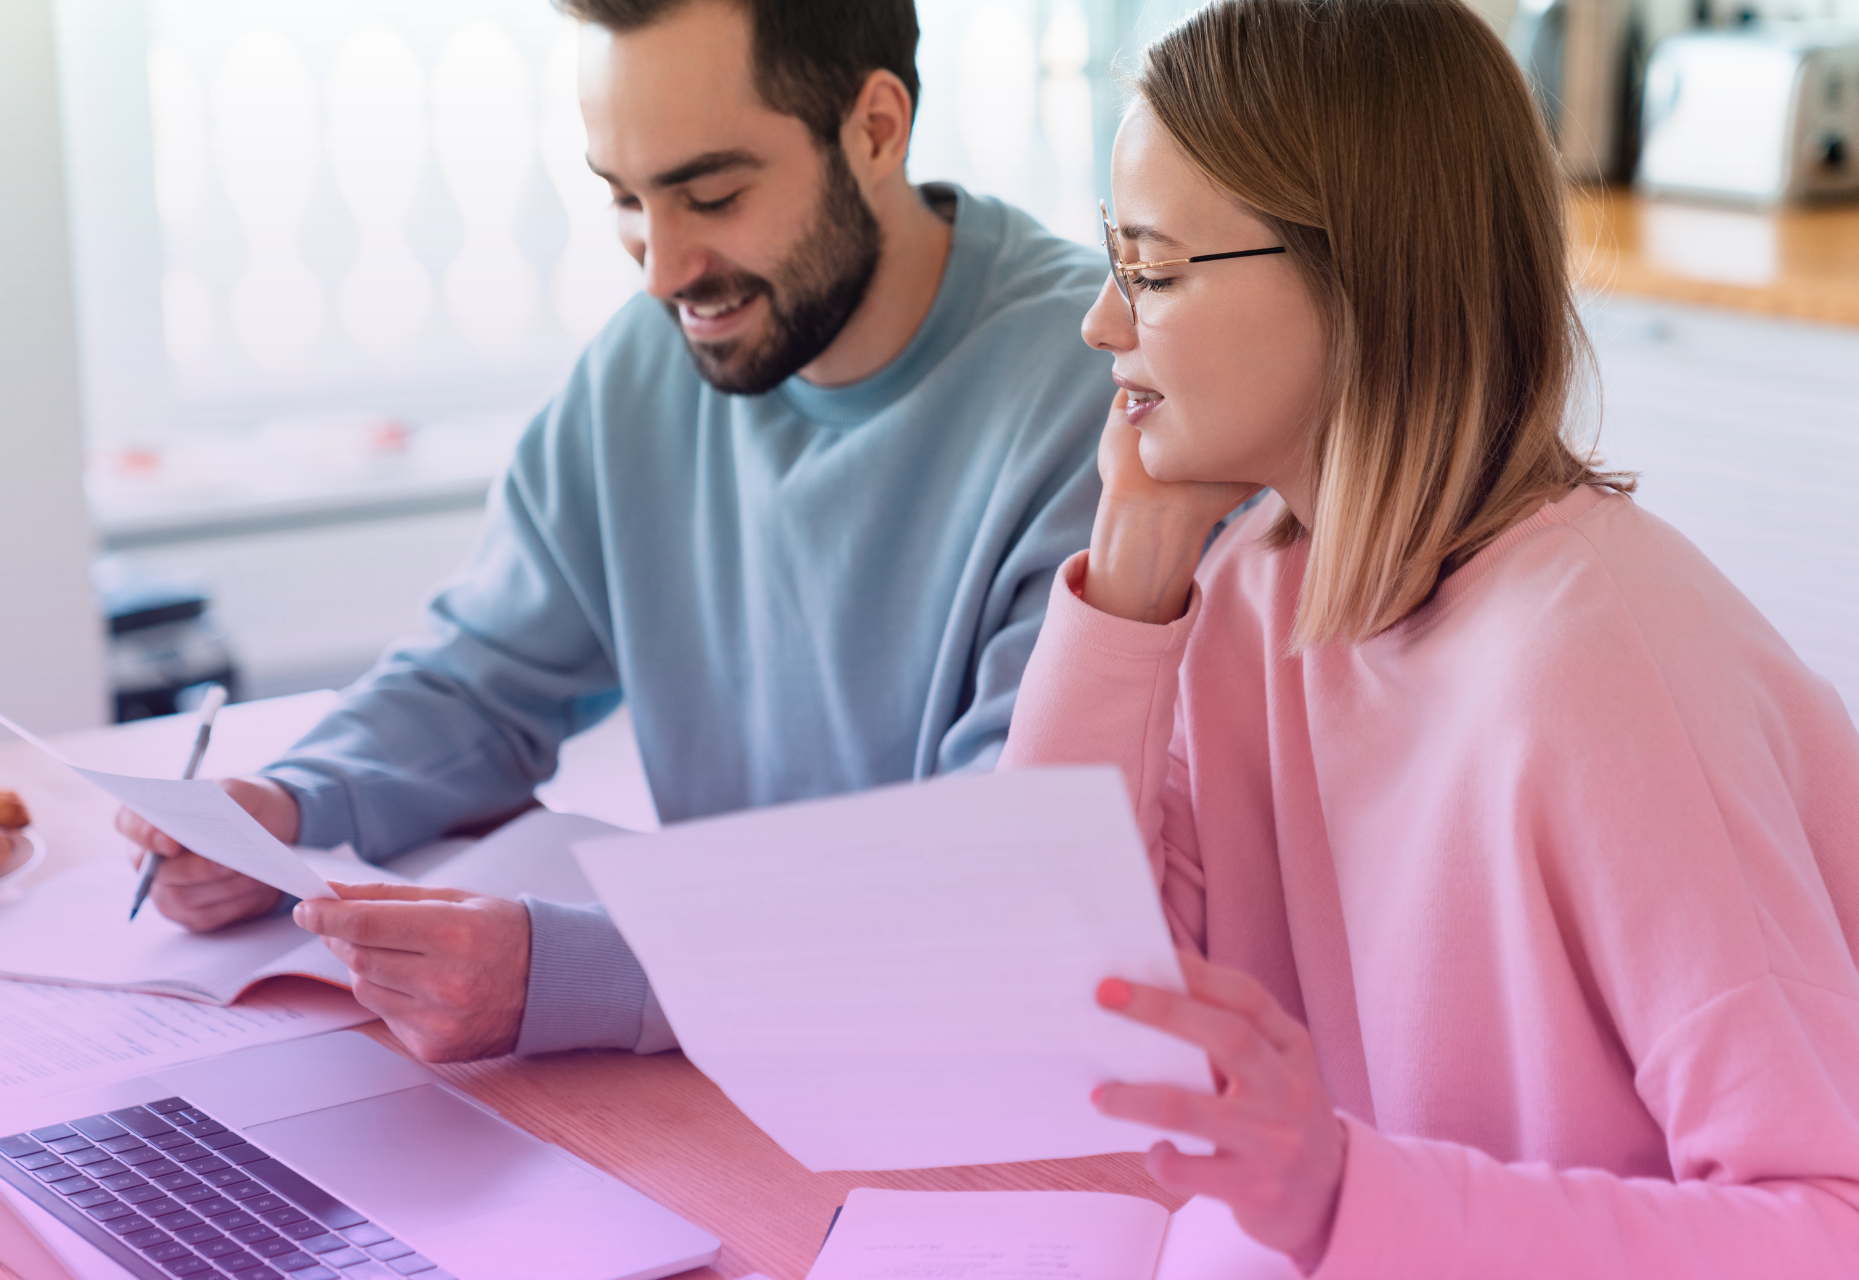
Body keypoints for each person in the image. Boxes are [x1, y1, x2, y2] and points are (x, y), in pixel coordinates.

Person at [1000, 0, 1859, 1273]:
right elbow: (1060, 996)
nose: (1105, 325)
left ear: (1365, 277)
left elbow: (1826, 1224)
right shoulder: (1252, 598)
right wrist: (1131, 576)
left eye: (1158, 268)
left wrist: (1350, 1196)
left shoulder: (1597, 673)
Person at [118, 0, 1111, 1064]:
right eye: (625, 199)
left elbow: (1004, 865)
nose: (662, 270)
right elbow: (479, 681)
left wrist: (591, 970)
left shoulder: (1099, 389)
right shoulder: (646, 364)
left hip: (974, 1063)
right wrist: (287, 804)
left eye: (713, 194)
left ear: (875, 128)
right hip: (722, 1061)